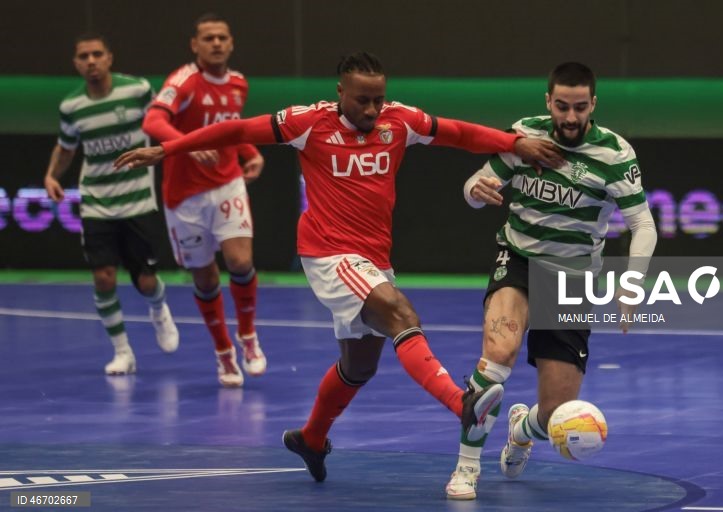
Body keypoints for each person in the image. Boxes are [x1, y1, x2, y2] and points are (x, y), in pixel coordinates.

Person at [115, 51, 566, 483]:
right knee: (402, 316)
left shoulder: (399, 120)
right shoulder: (306, 123)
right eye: (361, 99)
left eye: (377, 99)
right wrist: (168, 150)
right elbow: (235, 131)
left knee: (359, 365)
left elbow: (460, 133)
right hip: (329, 254)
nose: (372, 108)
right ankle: (462, 404)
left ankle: (311, 439)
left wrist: (514, 143)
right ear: (340, 93)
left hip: (373, 259)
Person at [444, 62, 658, 500]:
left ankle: (522, 430)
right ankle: (466, 467)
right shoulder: (526, 136)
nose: (571, 117)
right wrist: (474, 193)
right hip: (519, 258)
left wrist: (633, 283)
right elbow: (475, 185)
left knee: (558, 411)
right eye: (562, 106)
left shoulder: (614, 154)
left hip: (572, 278)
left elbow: (644, 225)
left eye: (580, 107)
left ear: (593, 104)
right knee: (497, 355)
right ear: (549, 102)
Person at [43, 33, 179, 375]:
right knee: (103, 278)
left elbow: (162, 125)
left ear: (109, 58)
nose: (91, 61)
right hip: (96, 202)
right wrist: (51, 176)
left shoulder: (137, 90)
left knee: (146, 282)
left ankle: (159, 309)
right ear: (76, 63)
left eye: (97, 54)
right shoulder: (71, 107)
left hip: (137, 201)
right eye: (83, 56)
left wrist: (177, 149)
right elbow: (66, 147)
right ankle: (122, 352)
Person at [143, 13, 267, 388]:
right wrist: (187, 148)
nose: (216, 43)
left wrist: (249, 152)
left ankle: (247, 335)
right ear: (194, 45)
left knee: (240, 261)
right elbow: (152, 121)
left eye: (222, 38)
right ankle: (223, 351)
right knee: (206, 276)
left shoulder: (238, 84)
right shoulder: (184, 81)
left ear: (231, 44)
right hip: (185, 197)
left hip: (227, 184)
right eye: (208, 38)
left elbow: (228, 126)